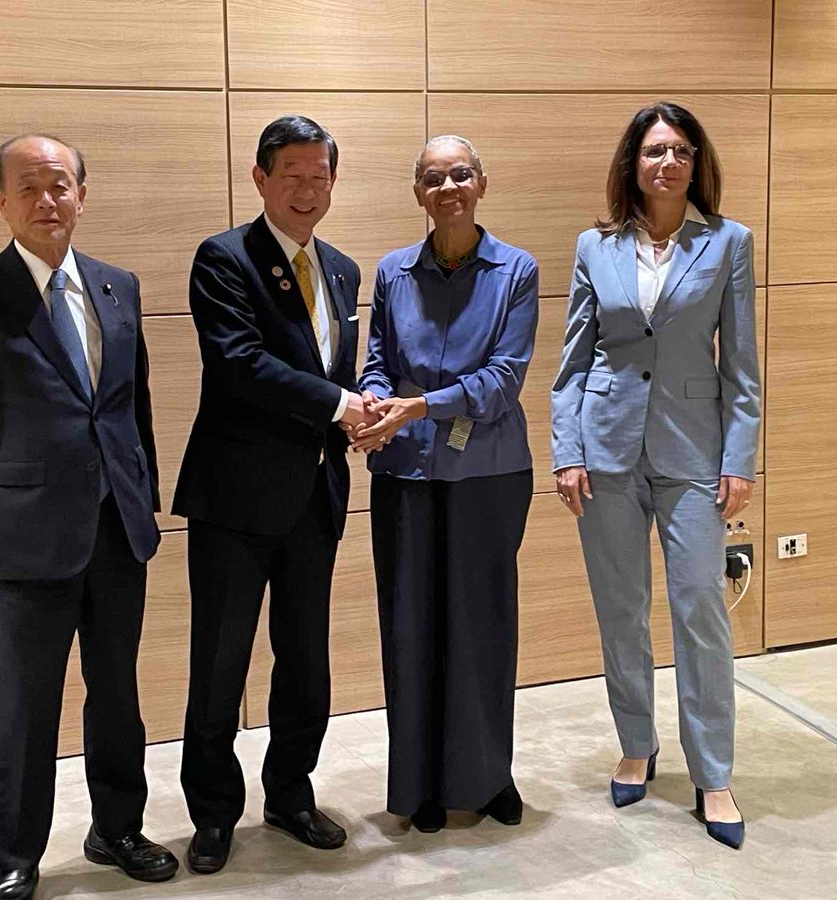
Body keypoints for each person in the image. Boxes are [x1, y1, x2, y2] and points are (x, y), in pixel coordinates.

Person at [0, 134, 175, 899]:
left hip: (116, 527)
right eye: (29, 187)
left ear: (81, 194)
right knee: (24, 702)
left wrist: (146, 498)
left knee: (117, 692)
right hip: (23, 534)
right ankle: (13, 853)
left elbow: (131, 406)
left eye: (60, 185)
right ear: (0, 199)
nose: (47, 201)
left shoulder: (117, 286)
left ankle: (117, 828)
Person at [550, 102, 761, 849]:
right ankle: (637, 743)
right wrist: (567, 451)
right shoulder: (595, 246)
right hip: (605, 450)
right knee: (621, 609)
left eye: (678, 152)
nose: (666, 164)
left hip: (693, 453)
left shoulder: (729, 242)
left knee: (700, 608)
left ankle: (714, 774)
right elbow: (573, 362)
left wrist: (740, 459)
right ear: (632, 165)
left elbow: (741, 367)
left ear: (696, 164)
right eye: (652, 152)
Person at [173, 115, 371, 874]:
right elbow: (237, 363)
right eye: (291, 174)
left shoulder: (346, 271)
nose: (307, 189)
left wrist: (364, 413)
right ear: (260, 179)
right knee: (219, 664)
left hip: (314, 495)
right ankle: (214, 813)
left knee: (306, 662)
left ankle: (290, 793)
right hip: (234, 500)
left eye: (320, 174)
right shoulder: (224, 259)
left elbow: (339, 378)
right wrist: (339, 404)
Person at [353, 135, 538, 833]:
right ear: (418, 194)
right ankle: (421, 786)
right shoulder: (393, 272)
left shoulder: (516, 270)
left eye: (461, 174)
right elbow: (376, 359)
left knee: (481, 626)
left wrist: (421, 405)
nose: (448, 187)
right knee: (411, 627)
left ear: (482, 184)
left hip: (487, 472)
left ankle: (487, 779)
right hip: (404, 471)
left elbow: (502, 379)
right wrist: (373, 406)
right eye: (434, 178)